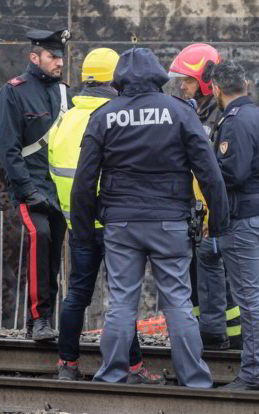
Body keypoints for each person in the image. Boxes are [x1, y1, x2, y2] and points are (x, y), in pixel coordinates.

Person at [71, 47, 230, 387]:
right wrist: (218, 223)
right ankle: (194, 379)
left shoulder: (104, 116)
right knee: (178, 302)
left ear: (120, 81)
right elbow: (209, 172)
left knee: (121, 302)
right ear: (158, 77)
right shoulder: (180, 113)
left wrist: (83, 232)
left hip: (121, 224)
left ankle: (112, 375)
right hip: (170, 223)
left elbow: (85, 180)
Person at [50, 48, 164, 384]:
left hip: (78, 224)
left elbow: (54, 170)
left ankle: (67, 365)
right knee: (122, 298)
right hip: (115, 222)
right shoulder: (116, 116)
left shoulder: (65, 118)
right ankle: (132, 368)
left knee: (76, 296)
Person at [209, 60, 259, 390]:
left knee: (248, 298)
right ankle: (256, 369)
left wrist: (203, 171)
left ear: (215, 90)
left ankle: (255, 373)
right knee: (249, 295)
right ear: (246, 85)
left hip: (243, 215)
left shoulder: (235, 123)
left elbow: (232, 173)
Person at [0, 29, 72, 341]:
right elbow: (8, 149)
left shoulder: (65, 92)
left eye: (61, 57)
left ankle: (43, 319)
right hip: (32, 187)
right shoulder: (13, 92)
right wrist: (27, 191)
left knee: (53, 256)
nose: (59, 63)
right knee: (40, 240)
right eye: (53, 57)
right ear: (34, 57)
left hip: (59, 190)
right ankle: (39, 318)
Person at [169, 43, 242, 351]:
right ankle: (205, 337)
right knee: (196, 277)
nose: (182, 86)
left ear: (203, 80)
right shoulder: (197, 111)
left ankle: (235, 343)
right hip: (196, 211)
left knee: (222, 280)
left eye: (187, 80)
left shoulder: (221, 117)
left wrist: (214, 215)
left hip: (214, 212)